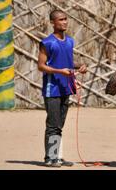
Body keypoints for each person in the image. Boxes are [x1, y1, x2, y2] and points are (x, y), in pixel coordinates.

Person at [38, 9, 87, 167]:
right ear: (53, 23)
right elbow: (41, 66)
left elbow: (67, 62)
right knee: (53, 124)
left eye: (65, 19)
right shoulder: (47, 43)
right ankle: (50, 158)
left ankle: (57, 156)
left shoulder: (70, 41)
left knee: (60, 124)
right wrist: (60, 71)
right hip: (52, 89)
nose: (64, 22)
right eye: (60, 20)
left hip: (66, 88)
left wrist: (80, 66)